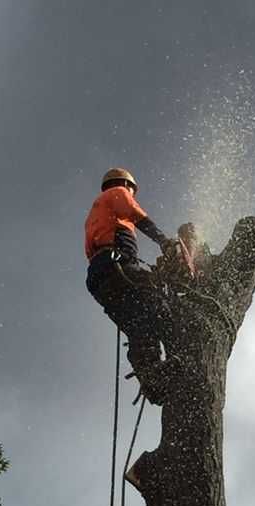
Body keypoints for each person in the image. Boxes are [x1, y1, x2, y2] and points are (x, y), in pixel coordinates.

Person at [84, 168, 177, 404]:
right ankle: (176, 354)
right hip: (116, 264)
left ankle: (151, 377)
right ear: (127, 185)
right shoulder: (117, 192)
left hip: (100, 278)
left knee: (137, 324)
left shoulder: (95, 213)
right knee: (157, 302)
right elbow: (136, 214)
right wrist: (163, 240)